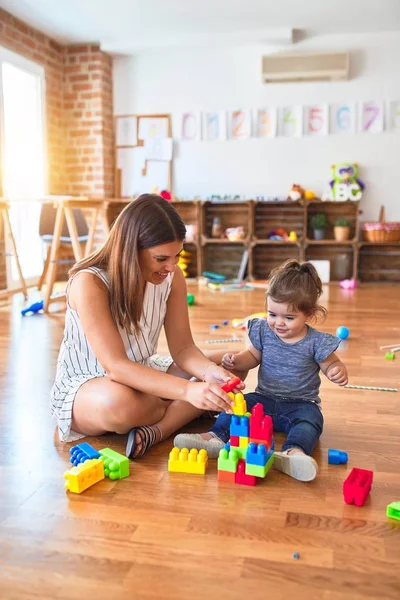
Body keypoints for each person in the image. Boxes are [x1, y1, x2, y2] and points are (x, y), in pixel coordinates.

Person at [50, 194, 244, 459]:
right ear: (131, 249)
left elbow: (184, 348)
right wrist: (188, 391)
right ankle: (173, 412)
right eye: (161, 258)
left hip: (141, 374)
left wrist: (209, 372)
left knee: (232, 366)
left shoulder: (172, 277)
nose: (172, 266)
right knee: (120, 404)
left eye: (177, 256)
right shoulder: (90, 283)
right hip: (92, 386)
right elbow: (115, 366)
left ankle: (157, 428)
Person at [174, 259, 348, 482]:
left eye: (289, 317)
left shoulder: (316, 342)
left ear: (309, 314)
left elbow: (330, 363)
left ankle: (293, 453)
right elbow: (252, 357)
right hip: (264, 398)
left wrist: (336, 369)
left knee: (311, 421)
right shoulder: (263, 331)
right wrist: (237, 361)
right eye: (272, 314)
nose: (279, 323)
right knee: (236, 406)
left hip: (300, 404)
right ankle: (215, 439)